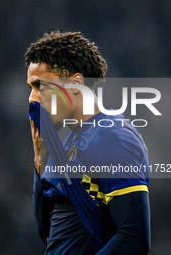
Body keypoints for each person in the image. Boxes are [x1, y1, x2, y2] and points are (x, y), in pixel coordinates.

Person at [26, 31, 151, 254]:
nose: (32, 98)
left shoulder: (111, 137)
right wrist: (40, 161)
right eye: (31, 88)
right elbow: (47, 233)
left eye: (40, 86)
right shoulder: (69, 141)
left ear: (75, 84)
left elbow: (134, 238)